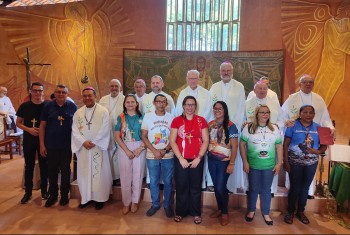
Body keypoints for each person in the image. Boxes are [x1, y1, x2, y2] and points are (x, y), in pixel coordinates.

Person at [282, 74, 335, 198]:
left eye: (311, 82)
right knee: (294, 181)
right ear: (299, 84)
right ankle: (292, 195)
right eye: (305, 82)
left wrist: (331, 128)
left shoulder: (319, 99)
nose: (308, 84)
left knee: (308, 176)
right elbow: (282, 116)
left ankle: (308, 194)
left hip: (313, 143)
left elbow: (325, 119)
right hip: (295, 141)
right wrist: (286, 122)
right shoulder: (292, 98)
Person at [283, 105, 327, 225]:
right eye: (305, 112)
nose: (308, 115)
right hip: (295, 162)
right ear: (300, 113)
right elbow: (286, 144)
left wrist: (317, 152)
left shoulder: (318, 127)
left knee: (305, 188)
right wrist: (285, 161)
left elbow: (324, 145)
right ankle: (290, 212)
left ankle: (301, 212)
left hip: (311, 163)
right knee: (295, 187)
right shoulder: (293, 126)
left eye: (311, 112)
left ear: (314, 114)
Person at [240, 105, 283, 226]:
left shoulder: (274, 128)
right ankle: (251, 211)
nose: (265, 114)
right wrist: (245, 161)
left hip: (269, 166)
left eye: (267, 112)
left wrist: (279, 163)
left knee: (266, 190)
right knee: (253, 189)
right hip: (253, 165)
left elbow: (279, 146)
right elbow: (242, 144)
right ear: (257, 114)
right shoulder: (248, 127)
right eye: (262, 112)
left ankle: (266, 213)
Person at [170, 96, 209, 225]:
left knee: (195, 187)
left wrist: (199, 158)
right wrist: (180, 158)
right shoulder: (177, 121)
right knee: (181, 186)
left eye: (192, 105)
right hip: (181, 159)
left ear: (195, 106)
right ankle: (181, 212)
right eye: (187, 104)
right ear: (183, 106)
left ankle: (196, 213)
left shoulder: (201, 121)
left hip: (197, 159)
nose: (190, 107)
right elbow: (172, 141)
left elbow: (206, 140)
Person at [71, 86, 112, 210]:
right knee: (84, 174)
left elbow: (105, 129)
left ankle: (100, 199)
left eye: (90, 95)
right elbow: (74, 130)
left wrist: (94, 142)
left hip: (98, 147)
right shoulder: (78, 112)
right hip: (84, 149)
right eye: (85, 96)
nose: (87, 98)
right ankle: (86, 198)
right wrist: (83, 142)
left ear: (95, 96)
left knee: (99, 173)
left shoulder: (103, 111)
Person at [209, 61, 246, 194]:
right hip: (216, 128)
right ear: (220, 72)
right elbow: (211, 107)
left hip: (231, 127)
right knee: (216, 153)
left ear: (232, 71)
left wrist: (233, 125)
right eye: (223, 71)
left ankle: (231, 186)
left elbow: (242, 107)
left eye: (228, 70)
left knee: (230, 154)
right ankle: (216, 185)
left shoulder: (239, 86)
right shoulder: (214, 87)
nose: (226, 73)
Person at [245, 79, 287, 195]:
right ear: (254, 90)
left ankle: (270, 190)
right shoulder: (247, 103)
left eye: (264, 88)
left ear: (268, 90)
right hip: (253, 140)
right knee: (252, 164)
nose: (262, 90)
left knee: (269, 163)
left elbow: (281, 120)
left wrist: (275, 126)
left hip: (269, 139)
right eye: (259, 88)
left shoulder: (274, 103)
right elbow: (243, 119)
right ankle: (251, 188)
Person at [39, 85, 77, 207]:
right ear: (54, 94)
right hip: (51, 145)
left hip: (67, 145)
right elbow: (42, 126)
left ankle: (65, 195)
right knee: (52, 171)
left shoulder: (72, 107)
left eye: (63, 92)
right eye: (58, 92)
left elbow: (77, 127)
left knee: (66, 171)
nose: (61, 94)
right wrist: (42, 145)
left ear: (67, 94)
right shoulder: (48, 106)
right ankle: (53, 195)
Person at [175, 69, 213, 191]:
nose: (192, 80)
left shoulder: (206, 93)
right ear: (187, 79)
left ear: (199, 79)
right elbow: (178, 111)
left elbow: (208, 111)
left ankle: (201, 184)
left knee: (200, 159)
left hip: (200, 130)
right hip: (185, 131)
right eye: (190, 78)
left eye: (195, 78)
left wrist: (199, 125)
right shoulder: (182, 93)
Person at [141, 94, 175, 217]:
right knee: (154, 181)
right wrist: (155, 151)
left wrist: (165, 150)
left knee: (167, 181)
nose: (161, 103)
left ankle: (167, 205)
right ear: (154, 103)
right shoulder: (148, 116)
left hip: (168, 154)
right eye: (158, 101)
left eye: (163, 102)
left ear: (166, 104)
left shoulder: (171, 118)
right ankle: (155, 204)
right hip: (152, 154)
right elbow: (144, 136)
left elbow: (174, 137)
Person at [16, 82, 49, 204]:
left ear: (43, 92)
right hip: (29, 140)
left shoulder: (47, 105)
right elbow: (18, 123)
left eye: (40, 90)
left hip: (44, 140)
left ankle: (44, 191)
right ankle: (28, 192)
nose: (37, 93)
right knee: (29, 166)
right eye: (35, 90)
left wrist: (43, 130)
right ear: (31, 91)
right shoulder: (24, 106)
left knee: (44, 165)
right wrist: (29, 129)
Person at [207, 101, 238, 226]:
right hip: (211, 160)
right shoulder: (210, 124)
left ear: (225, 110)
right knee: (216, 186)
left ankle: (225, 212)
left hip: (224, 162)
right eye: (215, 108)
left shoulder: (231, 126)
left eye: (220, 108)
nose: (217, 110)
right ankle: (220, 208)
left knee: (220, 187)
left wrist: (232, 163)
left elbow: (234, 146)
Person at [115, 94, 146, 215]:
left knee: (137, 176)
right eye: (128, 102)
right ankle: (126, 202)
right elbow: (117, 136)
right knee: (125, 176)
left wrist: (140, 148)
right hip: (124, 146)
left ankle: (135, 201)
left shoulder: (143, 117)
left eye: (133, 102)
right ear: (124, 104)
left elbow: (146, 135)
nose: (130, 104)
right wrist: (127, 151)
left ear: (137, 104)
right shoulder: (121, 117)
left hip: (140, 146)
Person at [99, 78, 125, 186]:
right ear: (109, 87)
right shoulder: (103, 99)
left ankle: (118, 176)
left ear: (120, 88)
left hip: (120, 130)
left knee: (119, 154)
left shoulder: (125, 99)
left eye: (116, 86)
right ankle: (108, 175)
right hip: (106, 130)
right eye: (112, 86)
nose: (114, 88)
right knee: (108, 152)